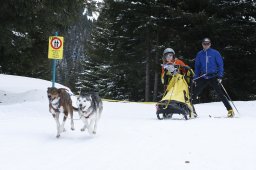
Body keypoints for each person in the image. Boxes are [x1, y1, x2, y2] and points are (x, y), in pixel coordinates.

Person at [192, 38, 234, 118]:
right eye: (204, 43)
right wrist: (196, 78)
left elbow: (220, 65)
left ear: (210, 44)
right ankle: (191, 111)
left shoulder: (215, 53)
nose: (206, 45)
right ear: (202, 44)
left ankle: (230, 110)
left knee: (220, 94)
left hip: (213, 76)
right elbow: (197, 67)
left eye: (207, 43)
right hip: (203, 77)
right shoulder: (199, 54)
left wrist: (220, 76)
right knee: (194, 94)